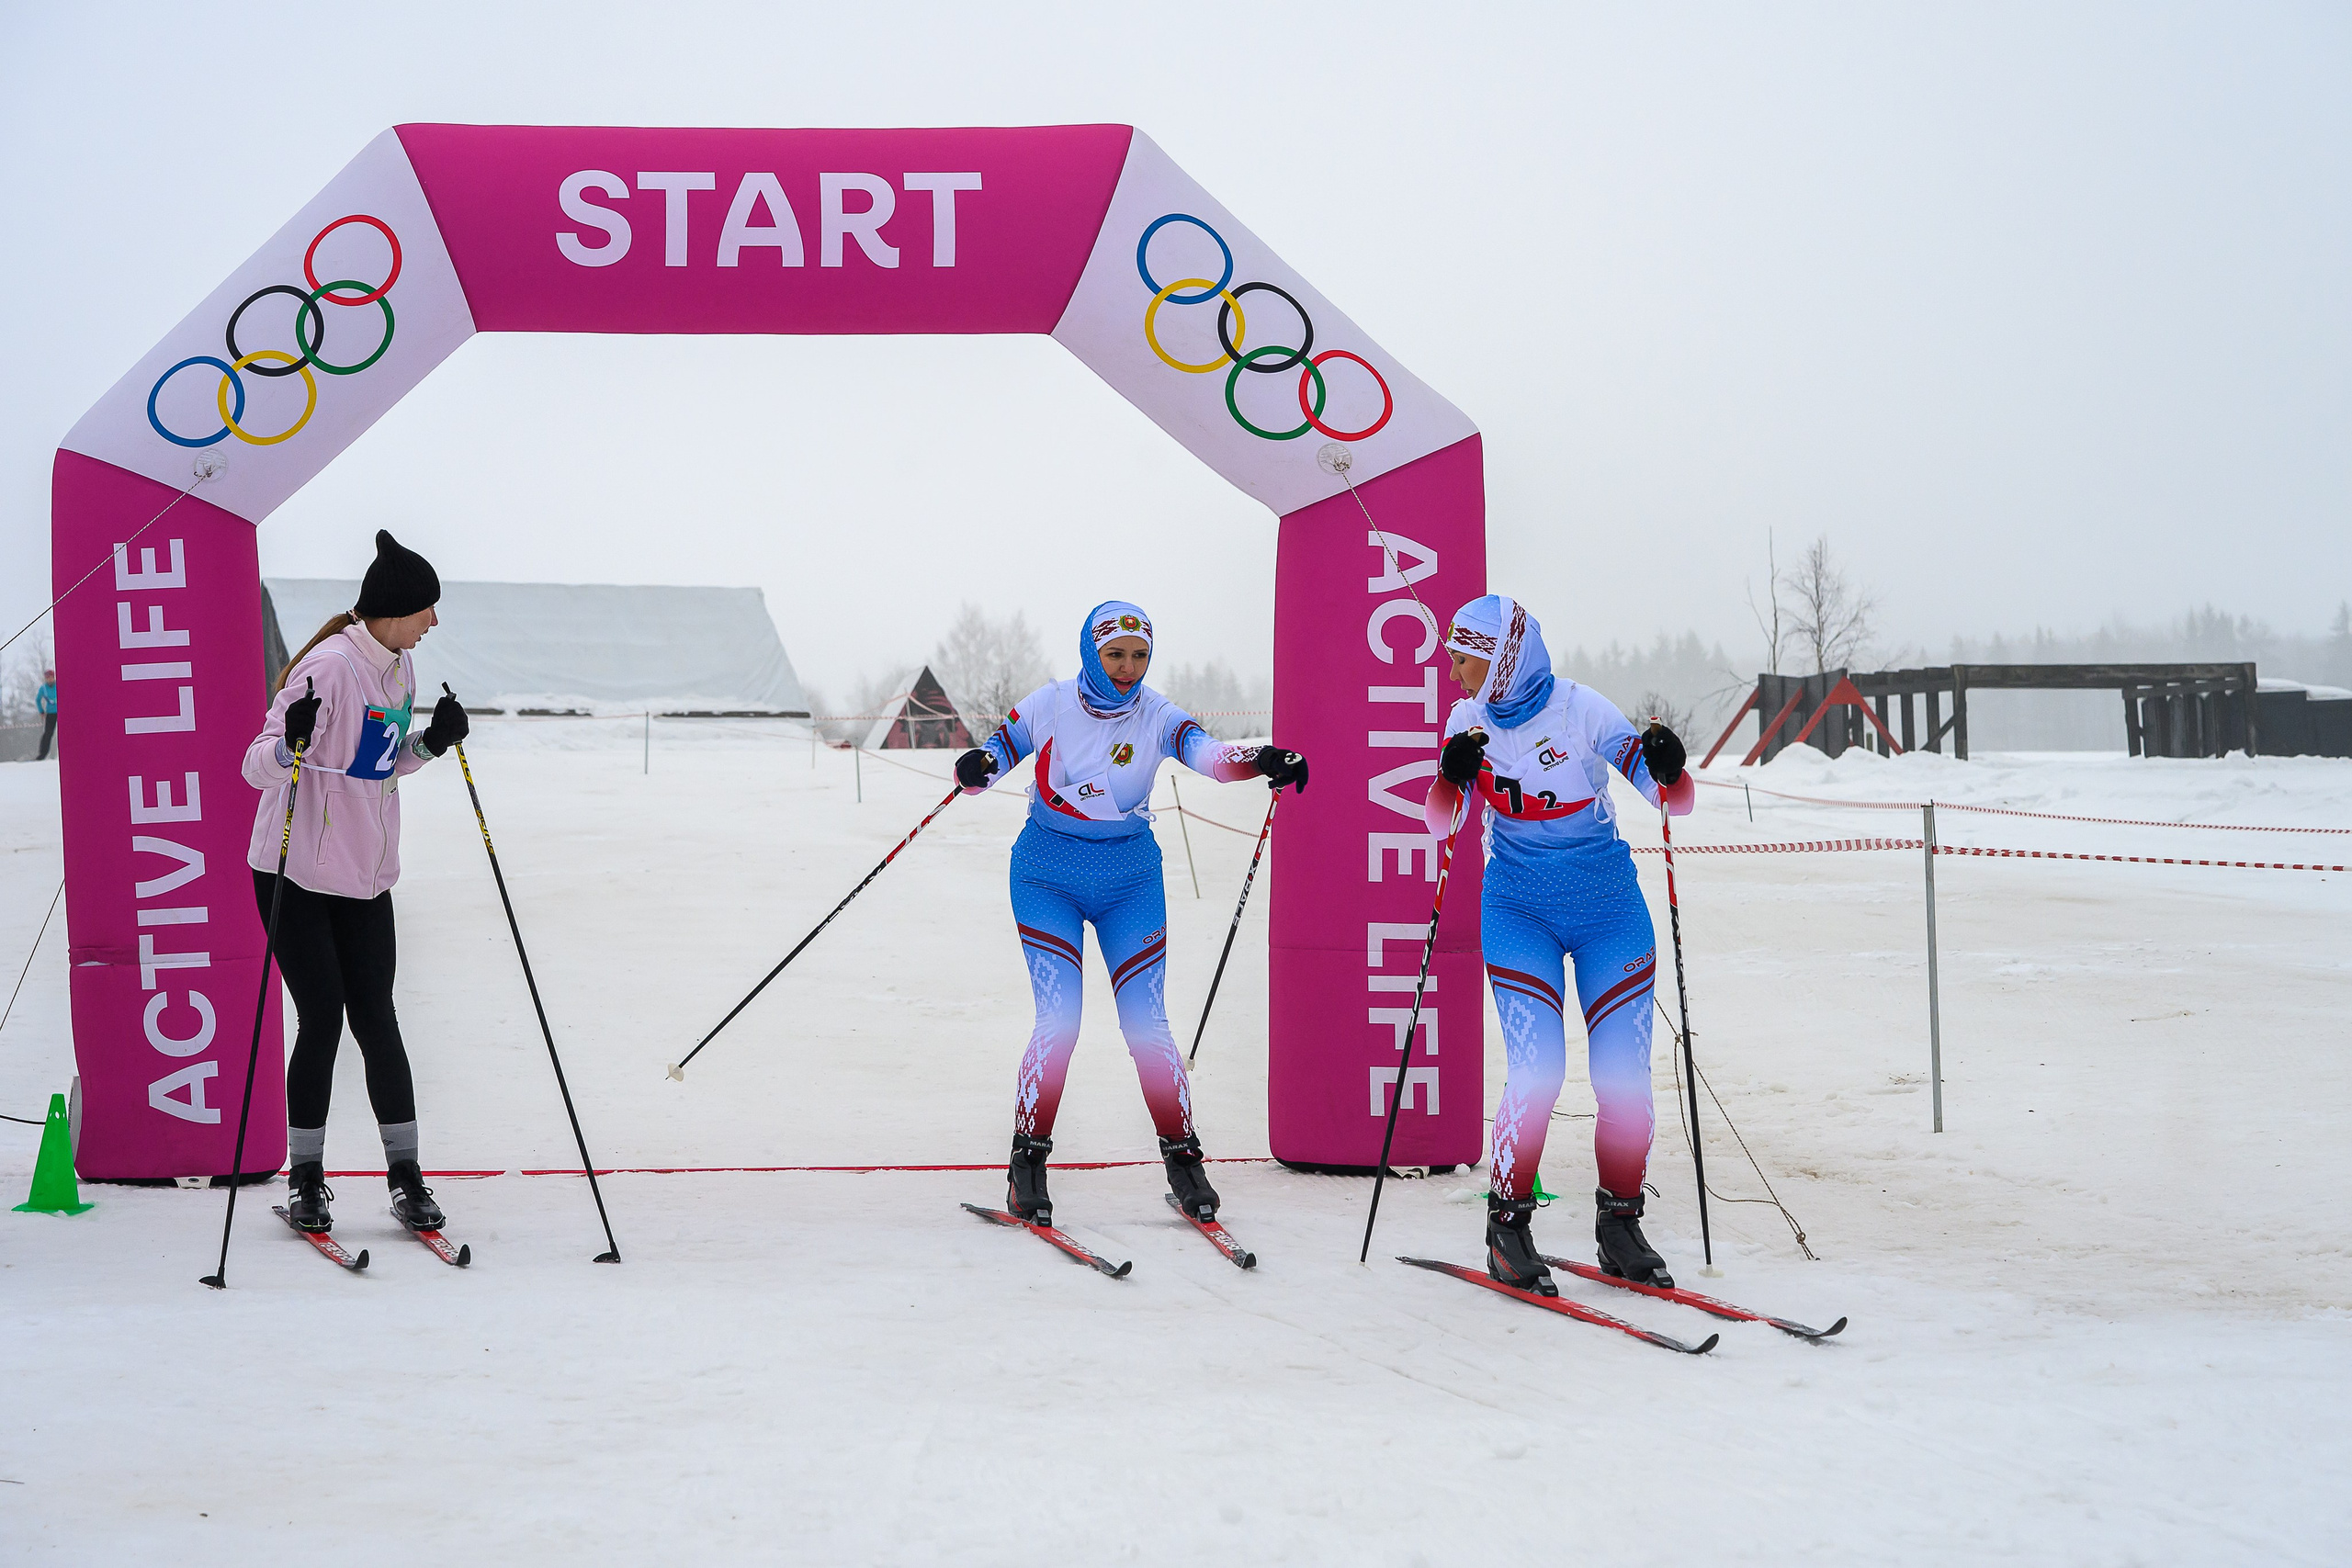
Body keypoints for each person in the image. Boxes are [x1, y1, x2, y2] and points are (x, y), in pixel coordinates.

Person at [954, 602, 1308, 1227]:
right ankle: (1027, 1164)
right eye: (1115, 654)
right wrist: (979, 765)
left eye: (1139, 655)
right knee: (1059, 1021)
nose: (1126, 668)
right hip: (1046, 875)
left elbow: (1210, 755)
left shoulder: (1156, 712)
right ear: (1092, 652)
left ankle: (1184, 1160)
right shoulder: (1053, 701)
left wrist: (1264, 756)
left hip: (1129, 880)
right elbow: (999, 751)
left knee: (1148, 1026)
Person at [1423, 594, 1695, 1295]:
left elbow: (1673, 798)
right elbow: (1437, 820)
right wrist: (1450, 774)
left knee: (1624, 1080)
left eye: (1465, 659)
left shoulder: (1581, 708)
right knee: (1538, 1068)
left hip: (1608, 907)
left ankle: (1621, 1224)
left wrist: (1668, 765)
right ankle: (1507, 1227)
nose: (1452, 672)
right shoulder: (1468, 721)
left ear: (1503, 659)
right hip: (1520, 910)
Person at [240, 531, 469, 1235]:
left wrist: (430, 743)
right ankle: (306, 1179)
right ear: (395, 608)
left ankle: (406, 1177)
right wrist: (290, 741)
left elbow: (377, 765)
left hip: (365, 878)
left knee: (378, 1019)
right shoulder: (330, 667)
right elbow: (255, 765)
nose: (434, 620)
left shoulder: (396, 668)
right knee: (323, 1017)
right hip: (297, 874)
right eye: (427, 607)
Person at [35, 668, 56, 760]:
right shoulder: (43, 688)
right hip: (50, 713)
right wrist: (41, 711)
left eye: (50, 677)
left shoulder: (58, 685)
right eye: (47, 678)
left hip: (62, 713)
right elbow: (38, 699)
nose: (49, 679)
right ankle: (42, 754)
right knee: (48, 734)